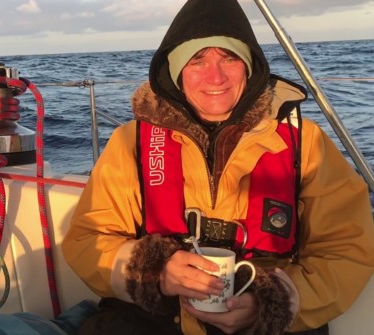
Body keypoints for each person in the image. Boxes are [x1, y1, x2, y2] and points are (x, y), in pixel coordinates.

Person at [61, 0, 374, 334]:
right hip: (156, 319)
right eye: (197, 59)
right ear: (176, 71)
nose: (216, 76)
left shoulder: (304, 142)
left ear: (250, 66)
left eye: (230, 58)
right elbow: (87, 240)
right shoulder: (131, 142)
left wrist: (271, 305)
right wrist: (156, 272)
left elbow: (347, 250)